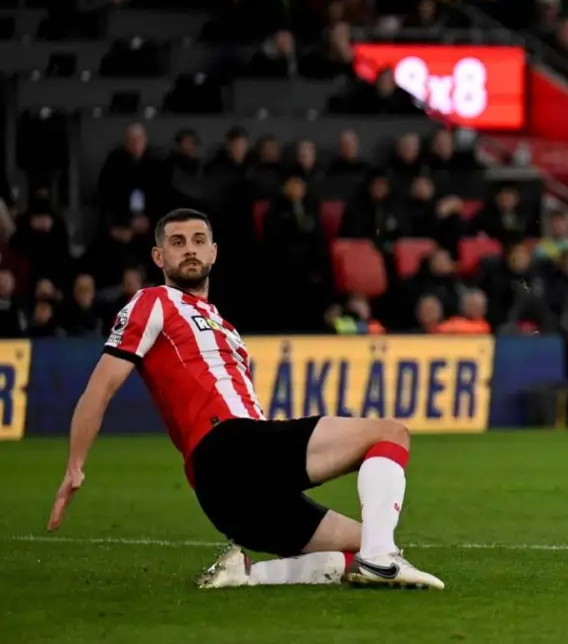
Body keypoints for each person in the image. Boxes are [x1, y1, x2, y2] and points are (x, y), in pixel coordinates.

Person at [45, 208, 444, 590]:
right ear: (158, 255)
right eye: (178, 242)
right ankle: (381, 560)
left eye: (199, 241)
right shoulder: (154, 302)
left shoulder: (225, 326)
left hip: (229, 496)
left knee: (364, 539)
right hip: (226, 447)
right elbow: (100, 387)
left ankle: (248, 575)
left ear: (214, 252)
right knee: (390, 433)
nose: (190, 249)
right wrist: (74, 465)